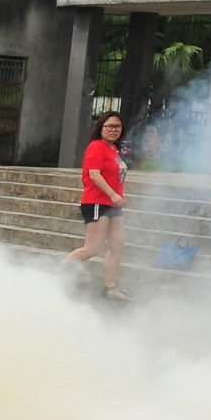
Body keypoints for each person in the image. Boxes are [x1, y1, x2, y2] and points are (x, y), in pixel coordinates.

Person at [58, 110, 131, 300]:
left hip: (113, 203)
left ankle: (110, 288)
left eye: (117, 126)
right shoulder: (97, 147)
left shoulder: (113, 149)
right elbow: (94, 174)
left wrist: (117, 196)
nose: (114, 130)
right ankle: (55, 278)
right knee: (92, 249)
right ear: (101, 128)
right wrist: (113, 194)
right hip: (97, 202)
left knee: (117, 244)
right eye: (110, 126)